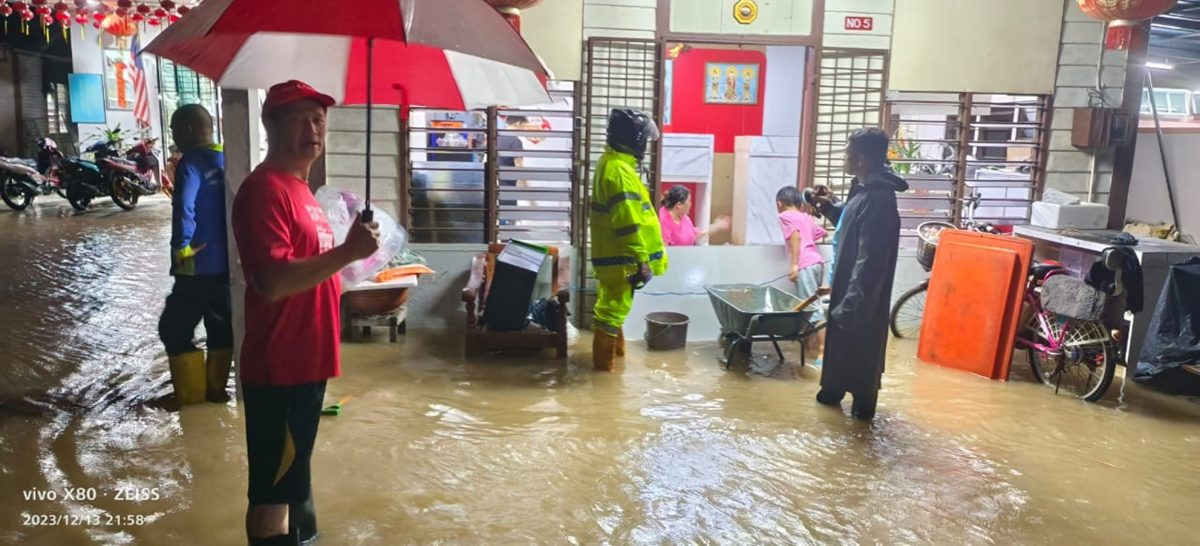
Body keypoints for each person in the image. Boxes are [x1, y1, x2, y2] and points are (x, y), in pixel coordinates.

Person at [230, 80, 381, 545]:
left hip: (308, 366)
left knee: (294, 481)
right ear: (269, 124)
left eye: (319, 119)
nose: (312, 128)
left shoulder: (304, 194)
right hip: (280, 368)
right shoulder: (264, 190)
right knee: (273, 492)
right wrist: (346, 253)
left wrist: (358, 260)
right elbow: (272, 282)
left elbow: (315, 275)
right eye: (298, 117)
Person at [817, 128, 907, 421]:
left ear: (863, 158)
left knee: (861, 387)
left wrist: (851, 305)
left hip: (861, 304)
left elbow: (871, 262)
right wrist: (828, 207)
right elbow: (849, 223)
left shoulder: (880, 199)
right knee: (834, 384)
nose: (845, 157)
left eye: (849, 152)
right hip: (847, 295)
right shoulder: (864, 190)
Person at [157, 104, 232, 407]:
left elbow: (184, 207)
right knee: (221, 328)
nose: (174, 136)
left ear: (187, 129)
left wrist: (181, 248)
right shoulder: (228, 159)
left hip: (196, 265)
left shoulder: (191, 163)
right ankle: (216, 393)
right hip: (226, 266)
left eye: (174, 130)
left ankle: (190, 399)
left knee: (173, 329)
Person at [590, 108, 668, 372]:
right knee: (611, 314)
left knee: (613, 311)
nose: (645, 144)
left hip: (614, 257)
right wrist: (641, 259)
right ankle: (604, 379)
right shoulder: (619, 171)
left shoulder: (611, 163)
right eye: (643, 138)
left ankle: (615, 366)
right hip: (622, 258)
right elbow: (627, 222)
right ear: (633, 139)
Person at [777, 186, 829, 358]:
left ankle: (822, 353)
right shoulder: (805, 217)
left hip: (805, 265)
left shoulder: (784, 216)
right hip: (817, 263)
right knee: (808, 307)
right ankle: (810, 350)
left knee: (814, 309)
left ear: (780, 203)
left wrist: (793, 266)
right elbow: (822, 232)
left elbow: (795, 236)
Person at [658, 185, 731, 246]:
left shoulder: (684, 218)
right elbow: (664, 248)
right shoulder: (663, 218)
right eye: (689, 201)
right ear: (679, 205)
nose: (690, 204)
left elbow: (694, 235)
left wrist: (717, 226)